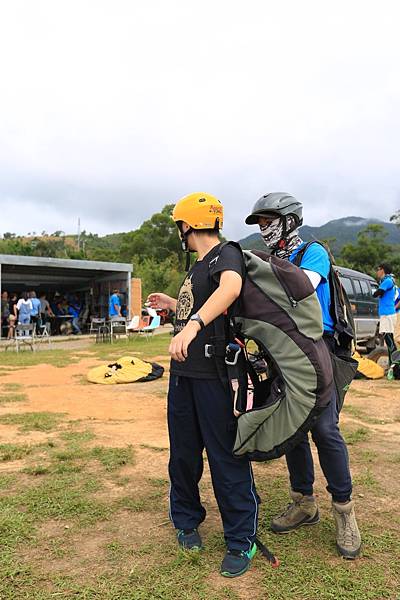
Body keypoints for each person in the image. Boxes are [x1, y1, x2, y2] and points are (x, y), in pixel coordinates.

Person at [148, 193, 259, 578]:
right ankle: (186, 519)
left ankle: (241, 539)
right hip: (183, 378)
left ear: (187, 225)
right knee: (183, 454)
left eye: (179, 225)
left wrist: (194, 324)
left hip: (214, 377)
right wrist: (173, 302)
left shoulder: (226, 253)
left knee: (226, 458)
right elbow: (202, 301)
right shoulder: (197, 267)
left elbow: (229, 289)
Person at [245, 192, 361, 559]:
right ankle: (303, 501)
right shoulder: (270, 261)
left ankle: (344, 511)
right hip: (283, 355)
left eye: (268, 221)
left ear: (290, 220)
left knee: (325, 429)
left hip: (319, 350)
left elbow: (303, 286)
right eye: (259, 224)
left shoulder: (313, 252)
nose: (263, 229)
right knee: (292, 430)